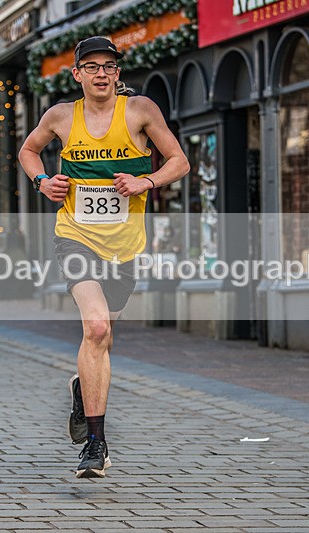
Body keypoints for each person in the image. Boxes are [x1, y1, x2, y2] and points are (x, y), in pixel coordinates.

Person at [18, 36, 189, 478]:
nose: (101, 73)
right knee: (94, 328)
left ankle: (82, 388)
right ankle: (96, 444)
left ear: (117, 73)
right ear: (77, 74)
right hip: (74, 236)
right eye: (91, 66)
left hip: (124, 247)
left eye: (108, 66)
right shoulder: (60, 116)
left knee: (103, 339)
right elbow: (28, 150)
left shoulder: (140, 111)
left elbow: (179, 162)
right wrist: (42, 182)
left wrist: (145, 182)